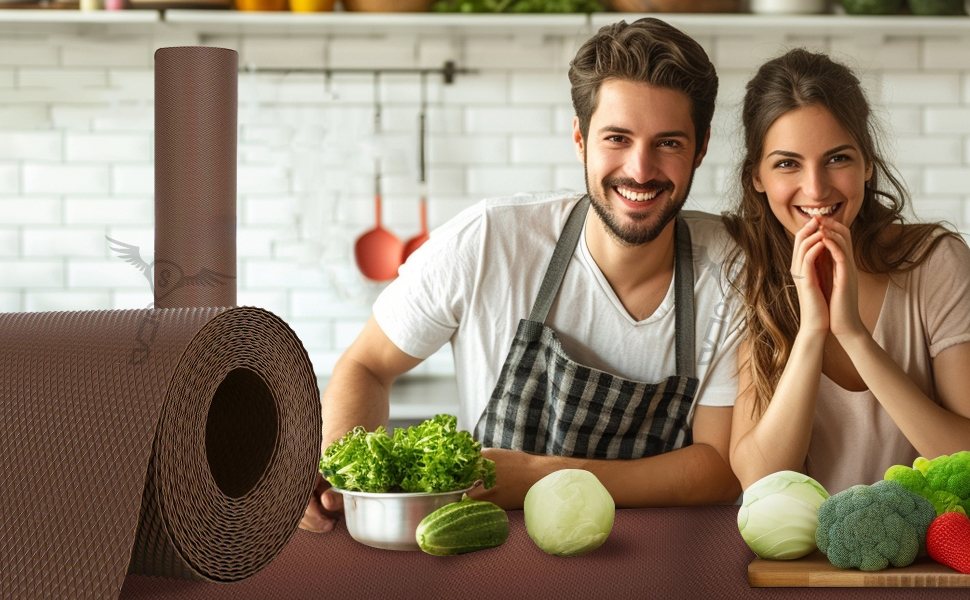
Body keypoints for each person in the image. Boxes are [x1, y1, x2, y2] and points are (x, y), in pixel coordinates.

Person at [302, 17, 744, 533]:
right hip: (489, 558)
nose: (640, 170)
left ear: (702, 146)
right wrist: (337, 465)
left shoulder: (729, 270)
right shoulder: (490, 241)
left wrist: (541, 475)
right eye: (617, 138)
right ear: (580, 138)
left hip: (658, 566)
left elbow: (718, 468)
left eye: (668, 143)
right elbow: (368, 365)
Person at [724, 48, 970, 496]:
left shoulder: (936, 262)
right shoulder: (750, 276)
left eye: (837, 158)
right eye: (787, 163)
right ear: (756, 177)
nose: (816, 188)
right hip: (806, 563)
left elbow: (965, 456)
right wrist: (812, 331)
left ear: (868, 164)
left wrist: (855, 335)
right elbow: (760, 479)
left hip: (933, 555)